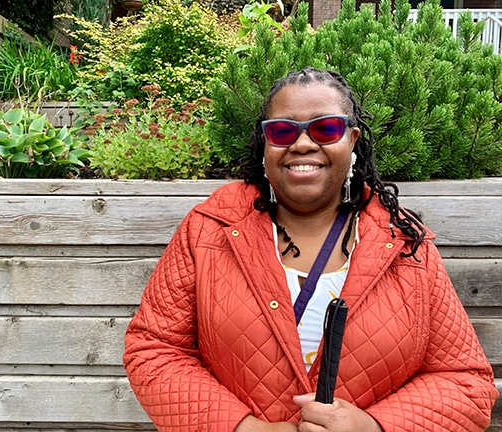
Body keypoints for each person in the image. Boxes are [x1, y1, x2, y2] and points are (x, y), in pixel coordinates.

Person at [123, 67, 499, 431]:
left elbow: (464, 381)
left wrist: (373, 427)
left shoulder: (403, 242)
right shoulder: (210, 229)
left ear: (352, 138)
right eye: (282, 131)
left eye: (326, 128)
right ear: (265, 143)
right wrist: (244, 428)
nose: (303, 144)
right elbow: (154, 349)